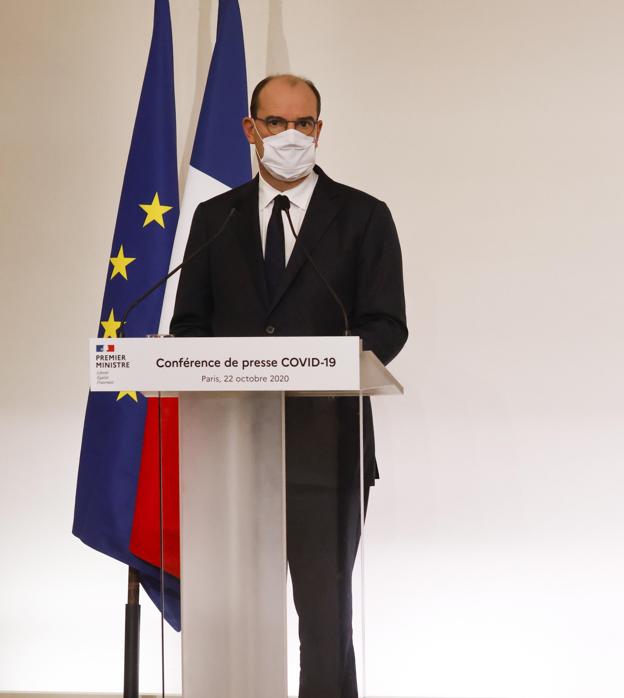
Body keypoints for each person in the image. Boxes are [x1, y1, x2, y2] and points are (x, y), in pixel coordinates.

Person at [171, 74, 407, 698]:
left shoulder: (363, 216)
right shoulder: (214, 219)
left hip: (325, 451)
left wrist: (321, 363)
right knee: (231, 615)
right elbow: (189, 326)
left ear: (320, 131)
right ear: (251, 131)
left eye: (304, 124)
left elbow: (386, 324)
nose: (291, 136)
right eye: (276, 124)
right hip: (230, 452)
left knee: (324, 621)